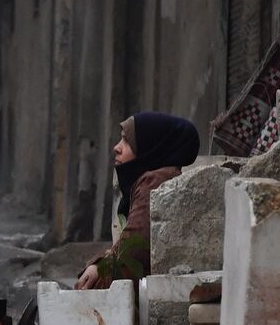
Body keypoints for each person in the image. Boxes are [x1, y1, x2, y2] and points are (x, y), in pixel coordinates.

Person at [76, 111, 200, 290]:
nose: (117, 147)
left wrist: (94, 284)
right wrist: (99, 265)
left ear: (151, 147)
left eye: (127, 141)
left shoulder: (153, 183)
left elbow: (132, 257)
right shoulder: (151, 181)